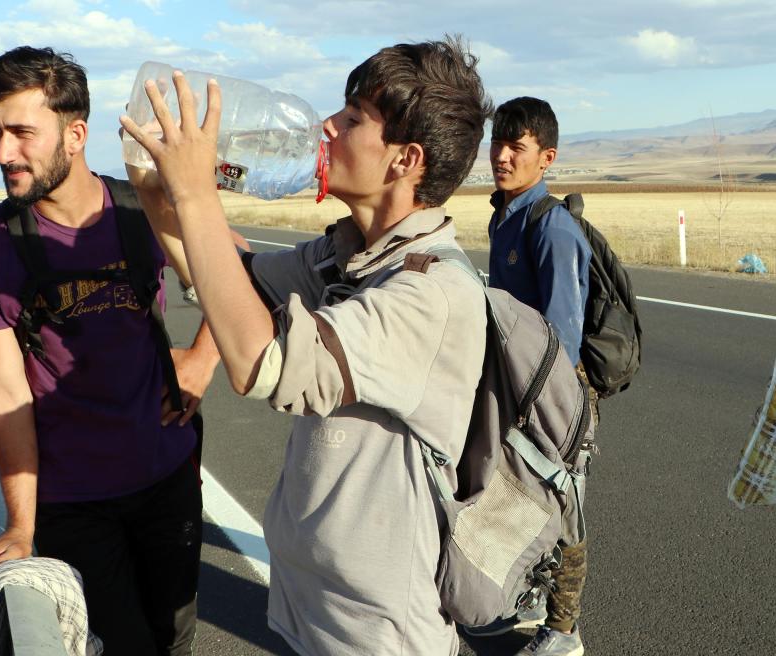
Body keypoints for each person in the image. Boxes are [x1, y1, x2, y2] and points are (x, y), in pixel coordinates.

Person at [121, 37, 492, 655]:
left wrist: (195, 193)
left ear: (405, 160)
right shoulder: (349, 256)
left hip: (376, 636)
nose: (326, 126)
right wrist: (153, 179)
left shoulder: (431, 294)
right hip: (309, 611)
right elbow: (221, 280)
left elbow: (257, 360)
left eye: (352, 120)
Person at [0, 46, 221, 655]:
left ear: (76, 133)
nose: (4, 151)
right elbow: (6, 391)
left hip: (168, 474)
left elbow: (240, 279)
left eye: (22, 132)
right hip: (72, 500)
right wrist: (21, 525)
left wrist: (202, 356)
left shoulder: (144, 208)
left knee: (175, 636)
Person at [465, 96, 593, 655]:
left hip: (555, 391)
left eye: (517, 147)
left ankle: (564, 633)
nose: (502, 156)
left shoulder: (552, 228)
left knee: (565, 506)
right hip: (517, 381)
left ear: (547, 158)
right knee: (514, 492)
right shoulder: (506, 215)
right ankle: (527, 598)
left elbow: (561, 334)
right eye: (498, 143)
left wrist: (533, 405)